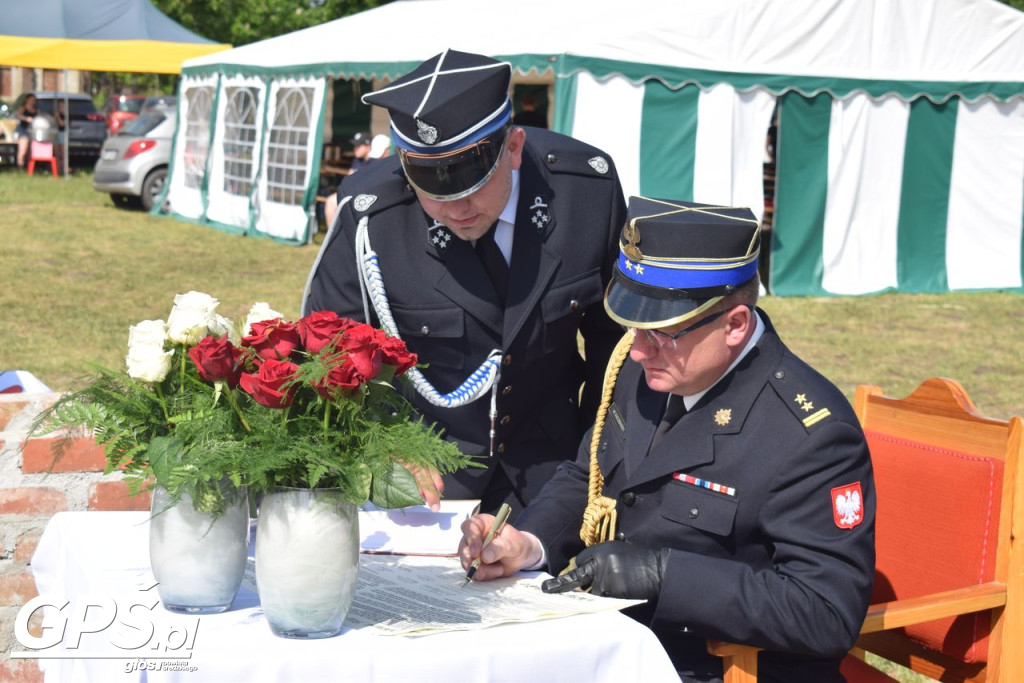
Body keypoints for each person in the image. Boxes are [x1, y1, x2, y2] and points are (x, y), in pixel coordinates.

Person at [458, 196, 876, 682]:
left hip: (713, 666)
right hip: (613, 645)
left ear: (735, 324)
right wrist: (527, 543)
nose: (637, 349)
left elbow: (826, 612)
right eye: (635, 326)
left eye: (661, 331)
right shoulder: (655, 366)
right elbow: (589, 471)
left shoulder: (809, 435)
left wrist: (663, 575)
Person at [303, 49, 626, 516]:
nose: (455, 208)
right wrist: (385, 443)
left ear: (512, 148)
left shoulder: (584, 190)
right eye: (431, 190)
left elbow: (617, 346)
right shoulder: (374, 215)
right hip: (420, 476)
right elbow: (327, 349)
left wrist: (594, 469)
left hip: (553, 470)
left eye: (473, 185)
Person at [15, 93, 38, 170]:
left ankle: (28, 168)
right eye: (31, 99)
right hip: (23, 130)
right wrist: (26, 118)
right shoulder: (23, 107)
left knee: (30, 151)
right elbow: (18, 115)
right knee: (23, 150)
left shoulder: (36, 109)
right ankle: (20, 167)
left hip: (33, 131)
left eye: (33, 100)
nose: (32, 101)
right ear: (27, 100)